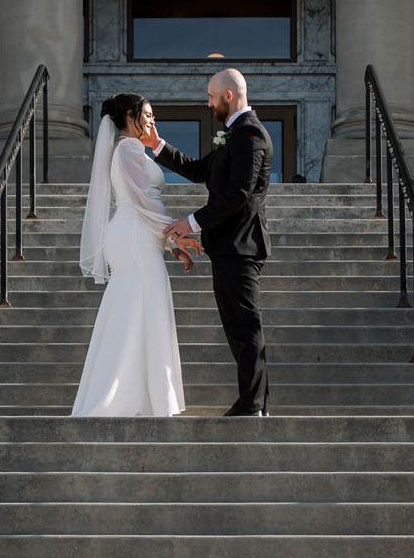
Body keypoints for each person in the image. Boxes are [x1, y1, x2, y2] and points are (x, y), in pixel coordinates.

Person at [144, 68, 273, 417]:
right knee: (236, 328)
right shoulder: (232, 136)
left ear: (228, 96)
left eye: (211, 96)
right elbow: (202, 170)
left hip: (241, 246)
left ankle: (253, 404)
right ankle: (252, 401)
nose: (208, 102)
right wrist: (157, 145)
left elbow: (239, 194)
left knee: (246, 327)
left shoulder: (250, 136)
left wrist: (192, 221)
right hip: (227, 247)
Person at [72, 93, 198, 417]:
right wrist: (177, 237)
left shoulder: (129, 150)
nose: (153, 121)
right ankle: (132, 398)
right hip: (134, 237)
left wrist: (171, 243)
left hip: (137, 236)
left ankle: (132, 396)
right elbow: (144, 201)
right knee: (147, 308)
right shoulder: (128, 148)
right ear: (131, 115)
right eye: (148, 114)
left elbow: (144, 202)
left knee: (132, 311)